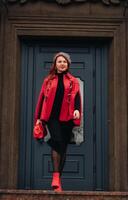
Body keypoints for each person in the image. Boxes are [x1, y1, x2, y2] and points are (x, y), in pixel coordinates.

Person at [34, 52, 82, 192]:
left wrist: (77, 110)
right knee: (57, 140)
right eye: (59, 61)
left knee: (63, 147)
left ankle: (58, 180)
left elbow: (77, 97)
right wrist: (38, 118)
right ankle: (55, 176)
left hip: (67, 118)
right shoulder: (48, 80)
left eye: (65, 62)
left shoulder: (73, 81)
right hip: (52, 117)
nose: (62, 63)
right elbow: (42, 99)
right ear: (55, 64)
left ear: (68, 64)